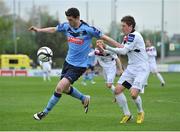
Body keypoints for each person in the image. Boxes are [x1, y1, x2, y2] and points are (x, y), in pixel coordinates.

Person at [29, 7, 122, 120]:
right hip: (67, 63)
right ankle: (84, 98)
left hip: (79, 66)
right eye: (68, 19)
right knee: (66, 89)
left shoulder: (88, 29)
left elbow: (104, 37)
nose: (69, 22)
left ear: (77, 18)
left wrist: (118, 45)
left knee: (59, 88)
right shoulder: (67, 26)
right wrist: (39, 30)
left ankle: (44, 113)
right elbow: (54, 29)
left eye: (71, 20)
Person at [97, 16, 149, 124]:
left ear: (130, 26)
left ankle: (140, 112)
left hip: (141, 69)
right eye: (121, 25)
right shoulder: (127, 37)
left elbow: (124, 51)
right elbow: (119, 49)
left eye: (124, 26)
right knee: (117, 90)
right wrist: (104, 49)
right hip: (131, 69)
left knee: (133, 94)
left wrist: (107, 46)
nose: (122, 28)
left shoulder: (134, 36)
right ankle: (127, 114)